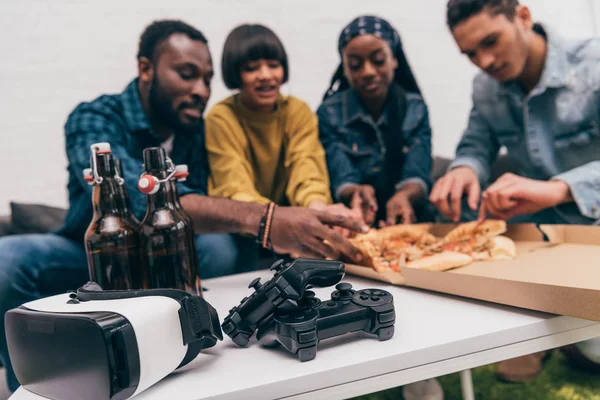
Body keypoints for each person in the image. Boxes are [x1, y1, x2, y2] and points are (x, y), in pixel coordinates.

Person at [0, 19, 367, 393]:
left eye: (207, 80)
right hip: (96, 256)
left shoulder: (197, 131)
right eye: (187, 74)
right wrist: (267, 219)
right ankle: (29, 390)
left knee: (220, 247)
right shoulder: (96, 117)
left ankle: (195, 365)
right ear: (146, 68)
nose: (200, 90)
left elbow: (222, 197)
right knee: (7, 259)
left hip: (171, 257)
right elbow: (137, 193)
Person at [431, 0, 600, 382]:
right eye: (470, 53)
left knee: (592, 354)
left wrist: (558, 189)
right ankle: (547, 331)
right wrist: (464, 170)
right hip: (538, 228)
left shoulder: (594, 64)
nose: (485, 61)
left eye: (492, 41)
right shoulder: (485, 86)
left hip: (594, 224)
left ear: (523, 17)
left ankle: (564, 336)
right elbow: (476, 143)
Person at [317, 15, 433, 227]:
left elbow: (417, 173)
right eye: (355, 64)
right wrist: (355, 194)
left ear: (394, 59)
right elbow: (341, 177)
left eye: (378, 60)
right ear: (344, 68)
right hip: (352, 220)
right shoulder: (328, 114)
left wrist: (405, 196)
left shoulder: (415, 108)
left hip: (409, 219)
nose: (368, 72)